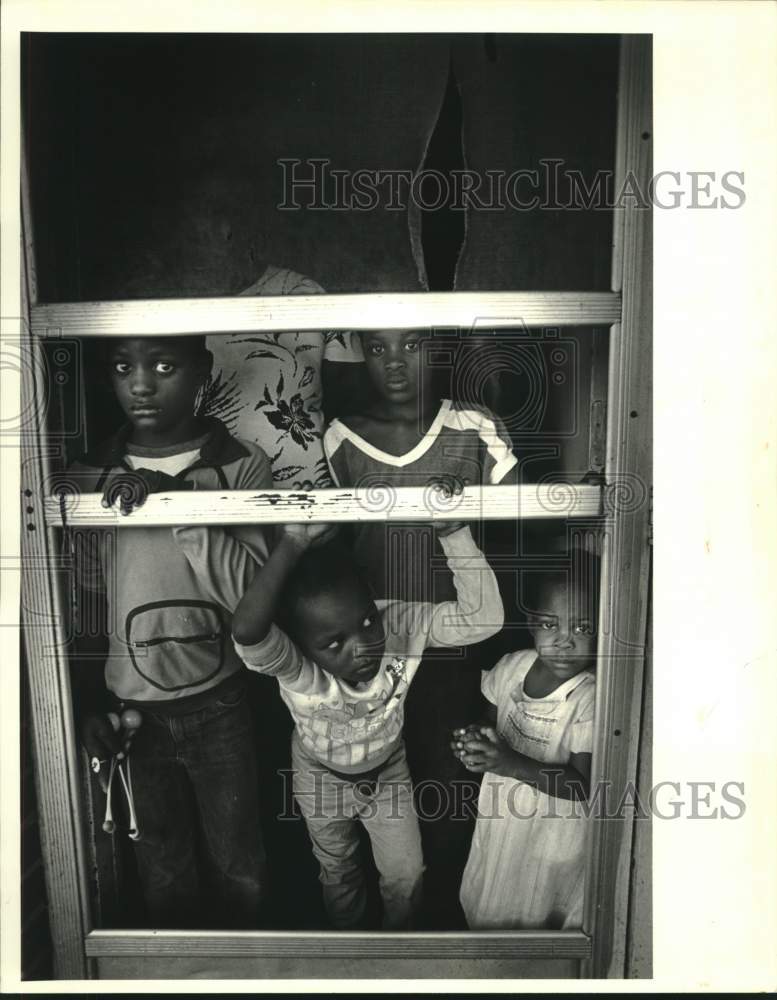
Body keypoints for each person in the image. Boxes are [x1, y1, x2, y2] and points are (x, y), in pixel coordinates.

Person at [66, 334, 272, 928]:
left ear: (202, 370)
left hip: (224, 703)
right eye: (123, 367)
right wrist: (83, 705)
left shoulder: (240, 464)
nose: (141, 385)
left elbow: (249, 597)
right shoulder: (87, 475)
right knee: (160, 864)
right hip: (132, 713)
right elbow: (82, 607)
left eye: (163, 366)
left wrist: (177, 505)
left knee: (242, 865)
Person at [218, 516, 504, 931]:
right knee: (338, 873)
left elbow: (485, 618)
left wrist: (453, 533)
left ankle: (396, 957)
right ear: (300, 644)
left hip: (388, 772)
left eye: (368, 621)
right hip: (320, 777)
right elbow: (246, 630)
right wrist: (292, 543)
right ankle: (350, 955)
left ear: (374, 600)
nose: (363, 646)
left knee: (407, 875)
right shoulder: (295, 666)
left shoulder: (399, 626)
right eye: (334, 644)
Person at [322, 326, 520, 925]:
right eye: (378, 348)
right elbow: (336, 545)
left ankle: (443, 921)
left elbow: (519, 534)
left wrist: (466, 512)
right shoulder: (341, 438)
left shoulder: (475, 427)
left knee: (447, 778)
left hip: (452, 640)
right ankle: (382, 921)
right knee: (376, 783)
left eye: (411, 345)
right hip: (372, 646)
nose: (395, 363)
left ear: (437, 348)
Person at [452, 551, 598, 929]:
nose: (565, 643)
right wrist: (476, 743)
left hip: (552, 837)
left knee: (535, 913)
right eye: (551, 626)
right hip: (502, 822)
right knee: (493, 899)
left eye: (582, 629)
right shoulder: (512, 667)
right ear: (533, 624)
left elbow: (581, 786)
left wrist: (509, 763)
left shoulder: (590, 695)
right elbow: (489, 721)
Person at [202, 264, 368, 489]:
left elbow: (354, 408)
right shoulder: (158, 304)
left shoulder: (303, 292)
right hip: (202, 501)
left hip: (308, 501)